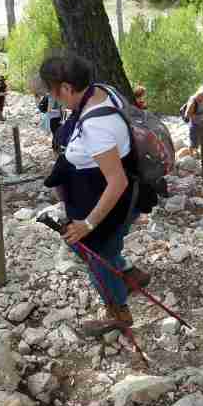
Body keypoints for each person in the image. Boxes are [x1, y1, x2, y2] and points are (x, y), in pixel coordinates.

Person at [40, 52, 150, 335]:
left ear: (66, 87)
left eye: (53, 91)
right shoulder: (102, 91)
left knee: (97, 254)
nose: (53, 98)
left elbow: (117, 182)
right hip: (103, 195)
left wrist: (87, 224)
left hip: (109, 203)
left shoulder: (96, 125)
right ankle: (128, 274)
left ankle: (118, 312)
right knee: (106, 247)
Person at [184, 86, 203, 157]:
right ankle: (191, 155)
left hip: (202, 122)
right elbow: (187, 114)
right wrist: (199, 116)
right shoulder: (193, 101)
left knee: (202, 140)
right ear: (201, 94)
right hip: (194, 123)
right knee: (193, 140)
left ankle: (198, 154)